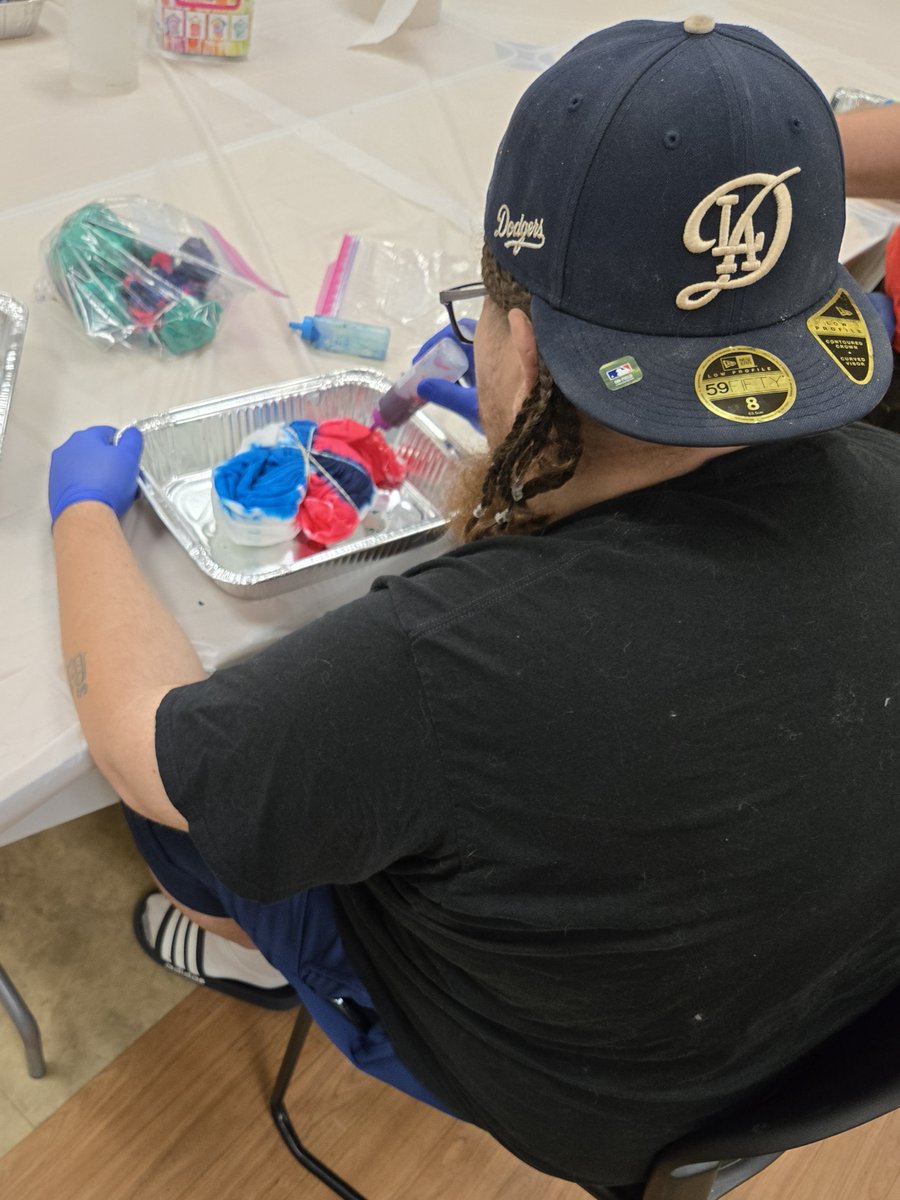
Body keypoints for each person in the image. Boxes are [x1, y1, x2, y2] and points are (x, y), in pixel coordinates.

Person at [49, 17, 900, 1194]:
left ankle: (258, 957)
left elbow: (145, 746)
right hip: (807, 1017)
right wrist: (524, 475)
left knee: (173, 811)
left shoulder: (440, 665)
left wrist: (81, 511)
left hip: (563, 1077)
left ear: (524, 345)